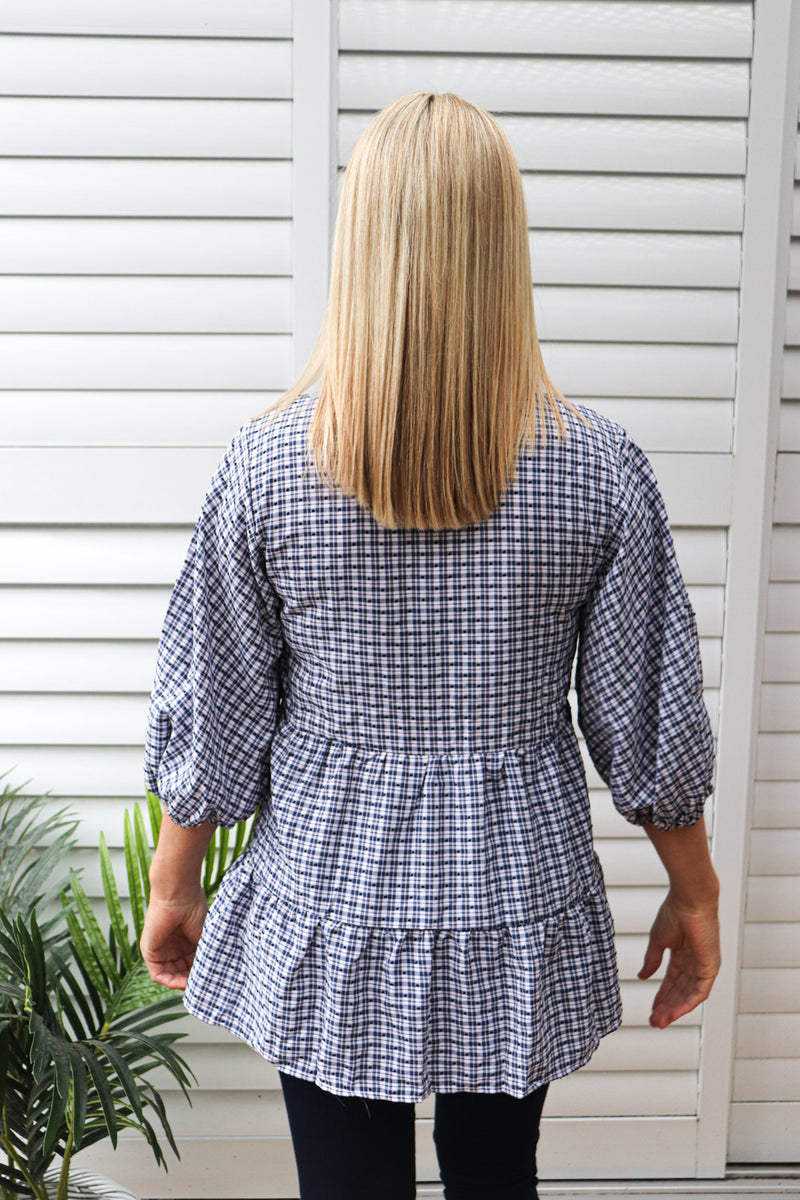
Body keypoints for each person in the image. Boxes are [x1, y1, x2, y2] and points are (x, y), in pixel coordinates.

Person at [140, 91, 722, 1200]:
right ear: (503, 250)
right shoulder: (596, 471)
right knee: (497, 1178)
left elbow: (214, 709)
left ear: (361, 248)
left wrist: (175, 882)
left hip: (328, 889)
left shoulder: (264, 469)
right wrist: (692, 893)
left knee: (345, 1184)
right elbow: (646, 722)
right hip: (515, 885)